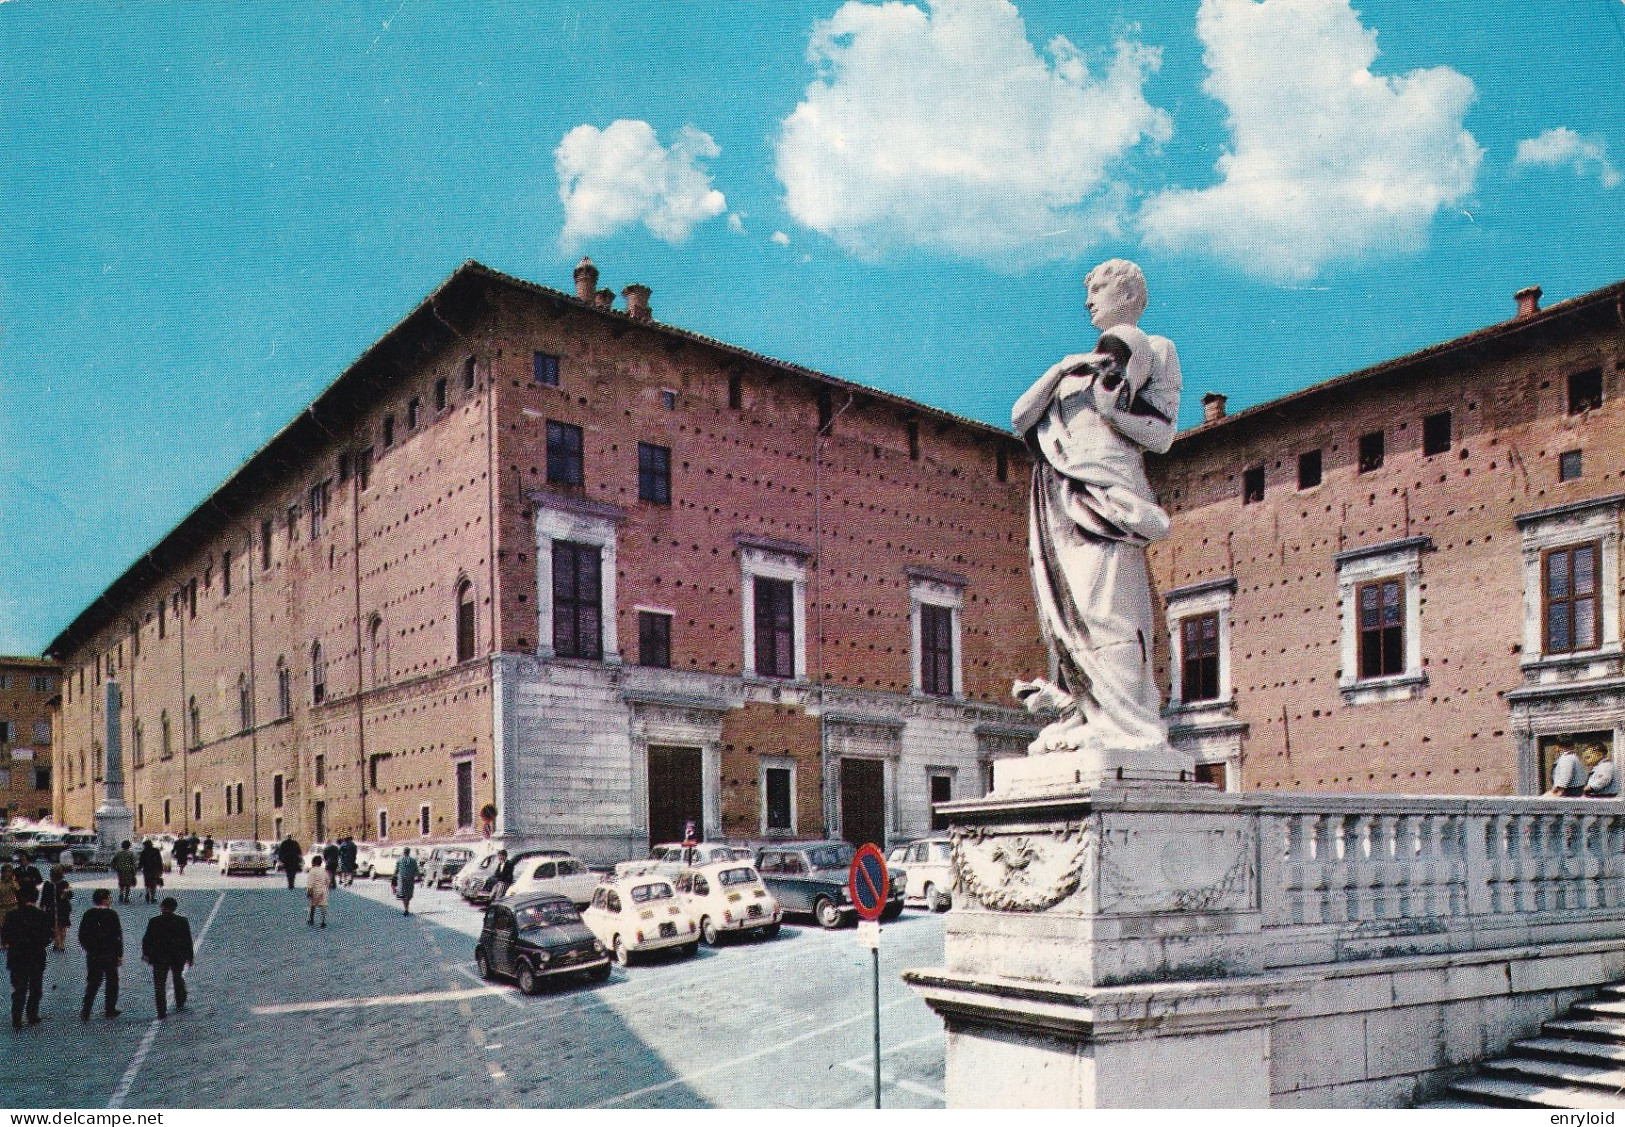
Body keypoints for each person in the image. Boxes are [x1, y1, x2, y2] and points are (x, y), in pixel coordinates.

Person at [1011, 258, 1181, 760]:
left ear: (1127, 295)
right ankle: (1088, 713)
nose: (1089, 301)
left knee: (1110, 610)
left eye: (1098, 290)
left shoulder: (1155, 349)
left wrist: (1112, 410)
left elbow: (1163, 435)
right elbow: (1020, 418)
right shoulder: (1072, 371)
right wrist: (1062, 368)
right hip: (1060, 498)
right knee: (1069, 613)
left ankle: (1128, 722)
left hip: (1108, 496)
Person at [2, 884, 50, 1029]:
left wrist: (10, 944)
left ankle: (16, 1017)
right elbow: (47, 937)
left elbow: (5, 935)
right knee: (36, 987)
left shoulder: (11, 915)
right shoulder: (41, 915)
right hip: (36, 956)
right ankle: (32, 1014)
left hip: (17, 956)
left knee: (19, 988)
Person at [142, 897, 193, 1018]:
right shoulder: (182, 921)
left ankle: (161, 1010)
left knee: (159, 983)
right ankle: (180, 1000)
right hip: (177, 956)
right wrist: (189, 957)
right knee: (178, 977)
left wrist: (146, 954)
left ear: (162, 907)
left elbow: (147, 939)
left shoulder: (154, 921)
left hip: (160, 957)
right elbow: (188, 940)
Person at [78, 888, 122, 1020]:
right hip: (110, 954)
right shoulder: (112, 914)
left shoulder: (88, 914)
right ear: (104, 899)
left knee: (93, 982)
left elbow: (82, 934)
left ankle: (86, 1010)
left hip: (94, 954)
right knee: (112, 981)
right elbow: (117, 936)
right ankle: (110, 1009)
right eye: (108, 898)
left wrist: (89, 949)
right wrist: (119, 954)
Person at [43, 866, 71, 953]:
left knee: (62, 926)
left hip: (63, 908)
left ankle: (61, 943)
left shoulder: (65, 884)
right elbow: (44, 897)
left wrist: (66, 893)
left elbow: (70, 895)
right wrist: (42, 907)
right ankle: (57, 942)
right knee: (54, 927)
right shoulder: (47, 884)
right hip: (51, 908)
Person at [306, 855, 330, 928]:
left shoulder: (312, 871)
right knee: (323, 906)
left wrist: (309, 892)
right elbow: (328, 881)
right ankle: (323, 921)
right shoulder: (324, 870)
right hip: (323, 890)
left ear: (314, 862)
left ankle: (311, 919)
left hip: (315, 890)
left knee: (313, 905)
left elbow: (310, 883)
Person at [394, 848, 420, 916]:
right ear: (409, 852)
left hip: (402, 879)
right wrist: (419, 878)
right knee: (408, 894)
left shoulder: (399, 860)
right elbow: (416, 870)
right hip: (410, 879)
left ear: (403, 852)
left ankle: (406, 908)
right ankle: (407, 908)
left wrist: (394, 878)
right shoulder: (413, 860)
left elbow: (396, 870)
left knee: (402, 894)